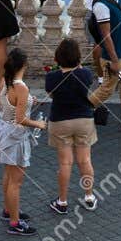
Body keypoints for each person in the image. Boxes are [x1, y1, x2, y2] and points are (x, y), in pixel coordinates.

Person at [0, 47, 47, 235]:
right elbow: (21, 119)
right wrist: (39, 124)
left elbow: (5, 106)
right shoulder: (21, 87)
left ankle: (8, 210)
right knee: (16, 181)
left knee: (8, 173)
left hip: (3, 131)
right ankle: (15, 222)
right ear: (24, 65)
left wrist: (29, 101)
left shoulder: (4, 82)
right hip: (16, 136)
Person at [43, 36, 103, 216]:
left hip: (60, 120)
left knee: (65, 163)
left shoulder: (51, 78)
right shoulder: (85, 74)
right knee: (85, 161)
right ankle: (89, 197)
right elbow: (85, 77)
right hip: (83, 120)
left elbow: (52, 95)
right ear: (78, 57)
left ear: (57, 57)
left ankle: (62, 201)